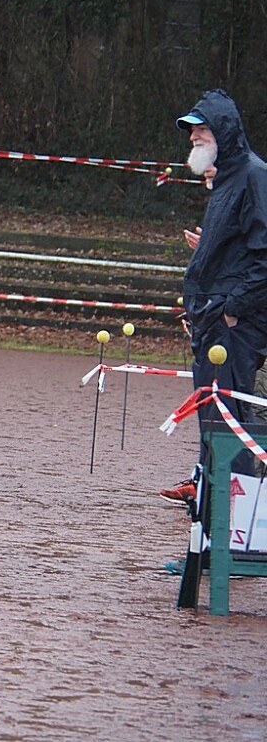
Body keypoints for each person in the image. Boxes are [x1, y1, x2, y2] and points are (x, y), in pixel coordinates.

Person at [159, 89, 267, 509]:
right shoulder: (225, 180)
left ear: (223, 130)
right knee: (212, 420)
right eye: (191, 131)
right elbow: (234, 251)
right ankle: (208, 515)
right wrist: (200, 307)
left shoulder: (254, 176)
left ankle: (234, 523)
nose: (193, 137)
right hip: (211, 323)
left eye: (201, 129)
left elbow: (263, 258)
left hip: (232, 328)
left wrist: (231, 310)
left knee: (229, 423)